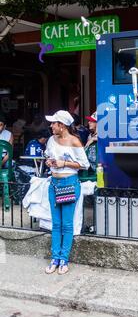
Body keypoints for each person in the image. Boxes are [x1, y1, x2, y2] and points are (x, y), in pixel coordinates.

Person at [44, 110, 89, 275]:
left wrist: (64, 163)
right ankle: (55, 258)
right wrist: (49, 161)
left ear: (61, 125)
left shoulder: (74, 141)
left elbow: (84, 165)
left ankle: (64, 259)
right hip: (54, 183)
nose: (51, 126)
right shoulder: (51, 140)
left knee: (67, 224)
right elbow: (48, 155)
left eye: (53, 123)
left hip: (69, 183)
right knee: (55, 224)